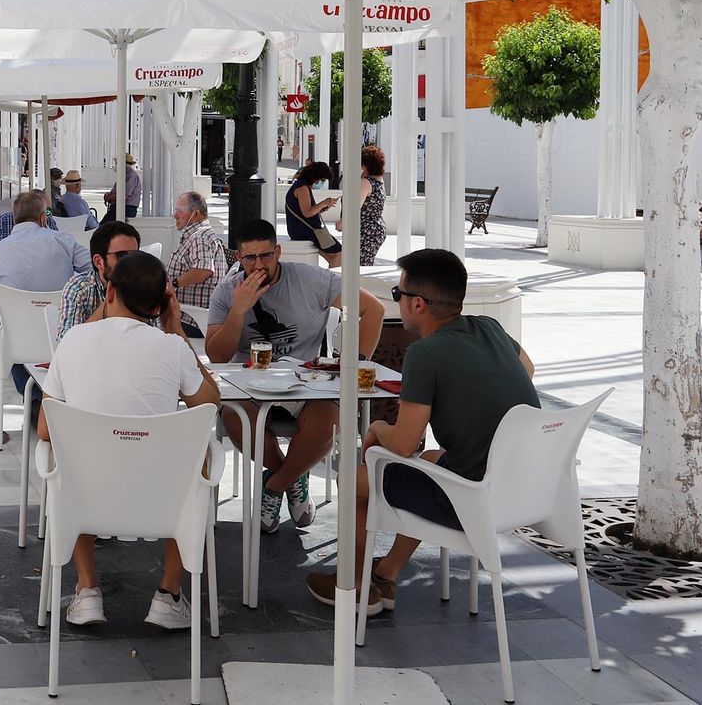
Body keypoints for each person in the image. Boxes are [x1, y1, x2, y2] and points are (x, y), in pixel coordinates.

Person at [304, 249, 539, 616]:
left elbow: (402, 445)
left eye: (398, 295)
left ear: (417, 304)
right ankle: (386, 574)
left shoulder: (425, 354)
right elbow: (528, 370)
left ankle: (354, 587)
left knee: (354, 481)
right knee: (431, 460)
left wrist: (378, 428)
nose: (396, 302)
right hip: (523, 489)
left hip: (473, 499)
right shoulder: (489, 328)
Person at [38, 251, 222, 629]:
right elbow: (210, 403)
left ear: (109, 292)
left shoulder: (72, 341)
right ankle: (169, 594)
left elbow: (45, 429)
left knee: (70, 454)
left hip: (85, 498)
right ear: (159, 305)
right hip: (161, 501)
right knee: (196, 456)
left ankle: (88, 589)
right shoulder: (171, 348)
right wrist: (178, 332)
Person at [206, 219, 385, 533]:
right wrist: (238, 310)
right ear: (238, 258)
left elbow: (373, 310)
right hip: (249, 383)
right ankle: (292, 476)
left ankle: (274, 486)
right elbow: (217, 356)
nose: (259, 264)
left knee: (332, 420)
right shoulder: (226, 292)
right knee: (236, 420)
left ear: (278, 252)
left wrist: (354, 362)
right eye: (250, 258)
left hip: (306, 381)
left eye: (266, 256)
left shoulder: (311, 279)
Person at [0, 191, 89, 324]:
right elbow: (95, 267)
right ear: (43, 218)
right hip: (60, 333)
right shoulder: (64, 241)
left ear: (14, 219)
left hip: (14, 336)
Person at [56, 221, 143, 340]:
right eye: (122, 256)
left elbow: (161, 339)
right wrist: (111, 302)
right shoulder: (79, 288)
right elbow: (66, 341)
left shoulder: (145, 285)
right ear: (99, 262)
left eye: (135, 256)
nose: (131, 264)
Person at [167, 191, 227, 310]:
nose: (175, 215)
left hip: (190, 317)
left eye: (180, 211)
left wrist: (173, 284)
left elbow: (203, 270)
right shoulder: (199, 235)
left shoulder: (200, 237)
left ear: (195, 214)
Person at [285, 160, 343, 268]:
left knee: (334, 256)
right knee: (339, 254)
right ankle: (332, 282)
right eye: (322, 179)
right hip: (305, 230)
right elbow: (307, 213)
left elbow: (307, 211)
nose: (321, 182)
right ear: (316, 177)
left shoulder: (302, 186)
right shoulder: (302, 188)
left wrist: (325, 207)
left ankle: (330, 280)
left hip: (304, 229)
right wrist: (324, 202)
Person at [337, 145, 387, 266]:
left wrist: (342, 223)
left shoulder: (366, 183)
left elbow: (353, 209)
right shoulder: (378, 180)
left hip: (365, 231)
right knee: (362, 266)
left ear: (366, 165)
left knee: (357, 268)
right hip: (375, 228)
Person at [101, 153, 142, 222]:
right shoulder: (123, 175)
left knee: (106, 226)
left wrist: (109, 197)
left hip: (126, 208)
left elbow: (124, 195)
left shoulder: (131, 175)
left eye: (117, 163)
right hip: (119, 207)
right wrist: (109, 195)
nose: (116, 165)